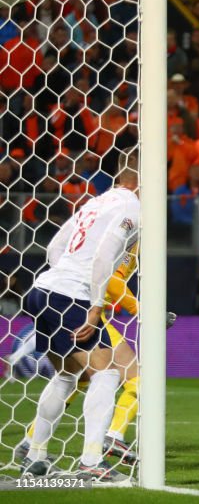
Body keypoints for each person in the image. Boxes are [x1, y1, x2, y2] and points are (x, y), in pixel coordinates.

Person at [21, 161, 140, 481]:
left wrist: (65, 275)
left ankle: (35, 457)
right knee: (107, 374)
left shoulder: (96, 201)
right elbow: (104, 256)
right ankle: (91, 461)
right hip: (71, 296)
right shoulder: (132, 207)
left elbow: (55, 246)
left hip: (43, 289)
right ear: (140, 177)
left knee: (66, 377)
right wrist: (94, 303)